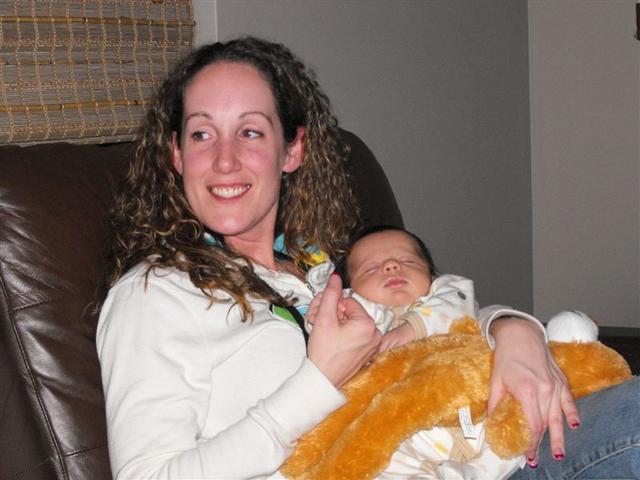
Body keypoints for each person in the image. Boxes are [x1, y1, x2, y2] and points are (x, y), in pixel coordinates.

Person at [95, 36, 639, 479]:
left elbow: (429, 313)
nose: (224, 159)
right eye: (201, 134)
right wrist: (320, 378)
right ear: (176, 153)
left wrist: (514, 331)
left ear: (292, 150)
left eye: (251, 132)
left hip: (473, 457)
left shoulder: (317, 268)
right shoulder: (157, 292)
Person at [304, 225, 523, 478]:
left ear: (431, 275)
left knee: (518, 420)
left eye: (408, 261)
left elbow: (457, 302)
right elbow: (329, 342)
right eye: (371, 268)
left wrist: (412, 328)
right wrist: (325, 309)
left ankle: (477, 473)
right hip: (407, 432)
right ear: (350, 289)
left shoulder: (446, 293)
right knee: (381, 456)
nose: (391, 266)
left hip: (475, 410)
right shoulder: (360, 316)